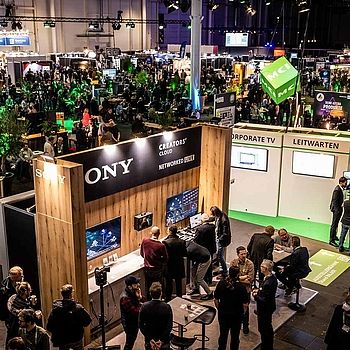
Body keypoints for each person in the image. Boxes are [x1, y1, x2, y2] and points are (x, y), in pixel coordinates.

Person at [46, 283, 91, 350]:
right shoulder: (78, 308)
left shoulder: (55, 310)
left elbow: (49, 327)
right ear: (71, 294)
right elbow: (87, 321)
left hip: (62, 340)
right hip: (76, 338)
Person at [214, 266, 249, 350]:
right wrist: (243, 313)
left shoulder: (221, 283)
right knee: (235, 337)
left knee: (223, 335)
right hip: (236, 316)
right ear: (238, 275)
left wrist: (220, 309)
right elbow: (245, 304)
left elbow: (216, 299)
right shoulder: (241, 287)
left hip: (223, 314)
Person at [252, 259, 277, 350]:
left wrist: (255, 296)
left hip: (265, 309)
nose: (260, 267)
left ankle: (266, 347)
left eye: (262, 266)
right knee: (267, 328)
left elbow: (264, 299)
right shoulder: (272, 278)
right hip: (269, 307)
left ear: (265, 268)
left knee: (264, 329)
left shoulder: (268, 283)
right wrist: (259, 291)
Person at [139, 282, 173, 350]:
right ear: (161, 293)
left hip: (150, 341)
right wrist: (160, 340)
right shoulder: (167, 307)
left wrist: (150, 339)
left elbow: (141, 325)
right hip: (164, 341)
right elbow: (169, 326)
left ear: (150, 294)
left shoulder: (144, 307)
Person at [230, 246, 254, 335]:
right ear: (237, 254)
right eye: (242, 254)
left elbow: (250, 279)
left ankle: (245, 326)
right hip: (235, 290)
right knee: (234, 307)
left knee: (245, 309)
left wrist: (238, 278)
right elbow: (231, 277)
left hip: (245, 290)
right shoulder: (233, 262)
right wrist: (244, 277)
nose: (244, 255)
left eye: (245, 253)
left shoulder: (250, 264)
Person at [140, 226, 168, 300]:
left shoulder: (144, 240)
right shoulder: (161, 245)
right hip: (157, 270)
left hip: (147, 269)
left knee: (149, 287)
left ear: (151, 233)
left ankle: (149, 302)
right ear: (159, 234)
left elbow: (142, 254)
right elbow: (165, 259)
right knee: (158, 288)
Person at [162, 225, 187, 302]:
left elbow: (165, 255)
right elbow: (184, 254)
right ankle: (179, 298)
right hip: (179, 265)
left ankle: (168, 299)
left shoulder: (165, 242)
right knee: (178, 283)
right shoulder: (182, 241)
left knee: (169, 283)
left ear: (169, 231)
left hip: (169, 265)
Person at [120, 275, 144, 350]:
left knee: (131, 341)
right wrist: (142, 306)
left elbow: (143, 301)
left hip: (134, 322)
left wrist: (139, 298)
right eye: (135, 284)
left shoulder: (133, 293)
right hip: (129, 324)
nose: (138, 285)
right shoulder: (125, 298)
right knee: (129, 343)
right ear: (130, 286)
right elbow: (135, 312)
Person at [193, 213, 216, 284]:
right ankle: (209, 280)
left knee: (202, 266)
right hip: (211, 248)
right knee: (209, 265)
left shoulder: (199, 229)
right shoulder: (212, 226)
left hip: (203, 250)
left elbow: (195, 241)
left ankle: (203, 280)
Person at [210, 206, 232, 277]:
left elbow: (225, 233)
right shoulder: (219, 215)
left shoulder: (223, 219)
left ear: (215, 213)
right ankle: (221, 269)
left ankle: (225, 271)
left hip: (221, 240)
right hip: (218, 238)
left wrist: (219, 239)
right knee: (218, 255)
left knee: (220, 256)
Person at [329, 177, 347, 247]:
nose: (346, 184)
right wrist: (337, 211)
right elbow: (335, 201)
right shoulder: (337, 190)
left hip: (338, 209)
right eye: (345, 183)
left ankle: (334, 236)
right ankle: (331, 240)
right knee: (334, 225)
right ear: (341, 182)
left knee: (335, 224)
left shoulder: (339, 189)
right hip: (336, 210)